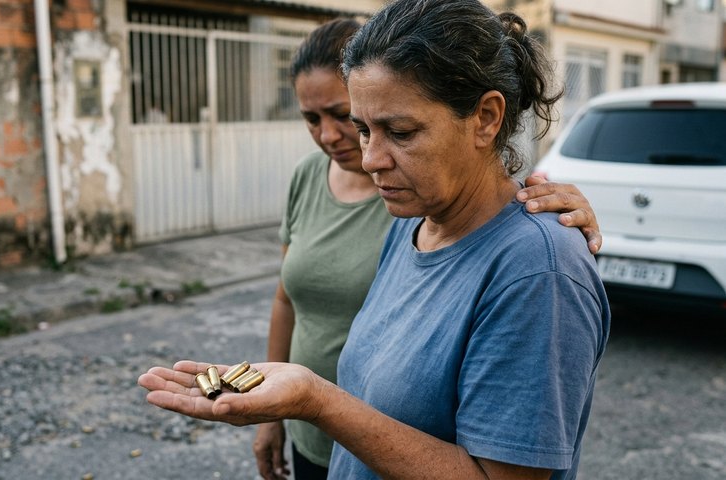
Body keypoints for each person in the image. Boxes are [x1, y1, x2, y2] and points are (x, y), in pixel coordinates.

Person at [138, 3, 610, 480]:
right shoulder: (413, 223)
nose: (369, 159)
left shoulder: (537, 273)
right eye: (363, 129)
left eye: (399, 132)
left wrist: (317, 400)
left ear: (486, 118)